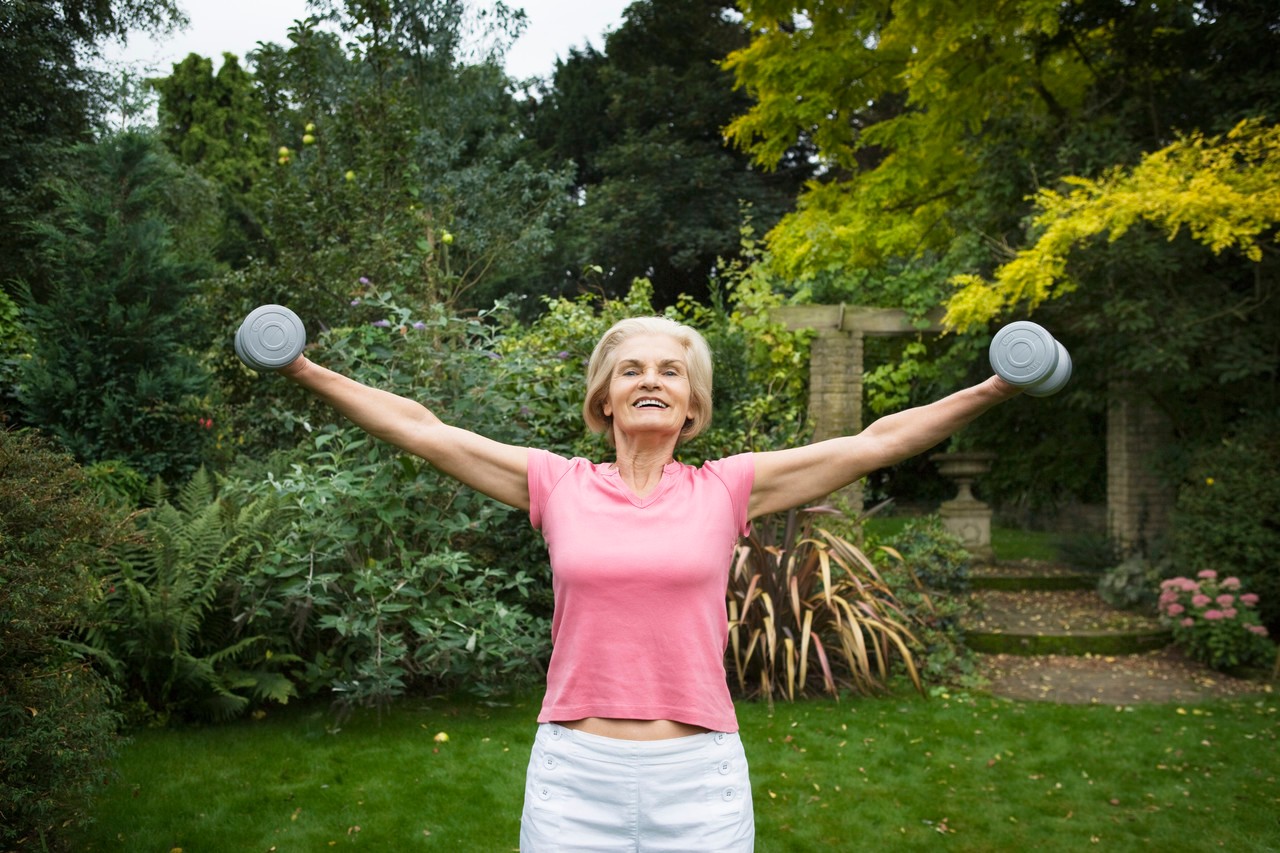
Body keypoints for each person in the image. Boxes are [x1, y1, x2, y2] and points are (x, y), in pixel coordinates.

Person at [275, 315, 1022, 851]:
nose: (652, 380)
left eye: (671, 371)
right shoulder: (556, 483)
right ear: (605, 399)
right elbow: (422, 429)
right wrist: (303, 368)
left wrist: (993, 386)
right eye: (632, 369)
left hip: (697, 777)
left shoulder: (727, 488)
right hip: (575, 775)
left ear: (692, 405)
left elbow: (875, 442)